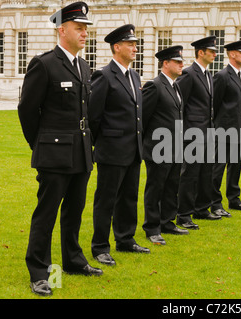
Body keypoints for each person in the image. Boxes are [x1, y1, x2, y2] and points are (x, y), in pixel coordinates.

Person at [17, 2, 102, 297]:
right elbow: (27, 110)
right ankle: (39, 271)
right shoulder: (45, 64)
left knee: (74, 210)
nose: (84, 34)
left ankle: (74, 260)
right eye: (79, 29)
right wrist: (40, 145)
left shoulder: (83, 65)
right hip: (54, 154)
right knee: (47, 212)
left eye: (85, 29)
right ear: (61, 30)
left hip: (80, 151)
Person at [88, 24, 149, 267]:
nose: (135, 47)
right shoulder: (104, 75)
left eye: (135, 44)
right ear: (117, 47)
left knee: (129, 198)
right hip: (112, 150)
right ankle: (100, 246)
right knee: (106, 200)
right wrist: (99, 145)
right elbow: (94, 116)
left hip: (133, 149)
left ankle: (125, 238)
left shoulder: (134, 75)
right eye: (130, 44)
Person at [176, 36, 223, 231]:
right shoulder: (189, 74)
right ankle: (184, 214)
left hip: (208, 131)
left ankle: (202, 208)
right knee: (190, 173)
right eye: (211, 51)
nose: (215, 54)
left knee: (206, 171)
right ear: (200, 52)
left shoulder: (207, 75)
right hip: (193, 132)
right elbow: (180, 104)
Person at [142, 46, 187, 245]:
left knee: (171, 186)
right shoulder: (155, 85)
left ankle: (167, 222)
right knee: (155, 188)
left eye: (181, 61)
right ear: (165, 63)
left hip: (176, 146)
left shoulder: (175, 86)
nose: (181, 65)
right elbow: (143, 118)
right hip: (158, 147)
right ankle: (152, 227)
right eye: (177, 62)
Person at [211, 40, 241, 213]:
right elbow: (215, 104)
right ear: (232, 54)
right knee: (218, 168)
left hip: (240, 129)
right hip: (224, 130)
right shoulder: (222, 76)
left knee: (236, 166)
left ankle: (234, 199)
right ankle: (214, 203)